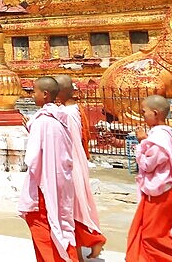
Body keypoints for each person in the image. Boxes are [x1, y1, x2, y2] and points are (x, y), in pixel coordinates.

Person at [126, 95, 172, 261]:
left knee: (154, 237)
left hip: (161, 196)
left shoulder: (158, 139)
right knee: (151, 233)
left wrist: (140, 144)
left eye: (144, 112)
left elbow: (147, 164)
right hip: (162, 193)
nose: (142, 115)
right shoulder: (169, 133)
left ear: (155, 113)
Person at [19, 76, 76, 262]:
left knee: (42, 224)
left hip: (43, 184)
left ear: (44, 94)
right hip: (61, 180)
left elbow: (32, 158)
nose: (32, 95)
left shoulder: (42, 121)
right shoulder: (61, 118)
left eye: (34, 91)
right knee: (61, 225)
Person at [54, 75, 105, 260]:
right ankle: (93, 240)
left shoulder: (66, 114)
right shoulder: (75, 109)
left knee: (70, 209)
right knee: (76, 206)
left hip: (70, 165)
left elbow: (71, 142)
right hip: (76, 162)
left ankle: (82, 250)